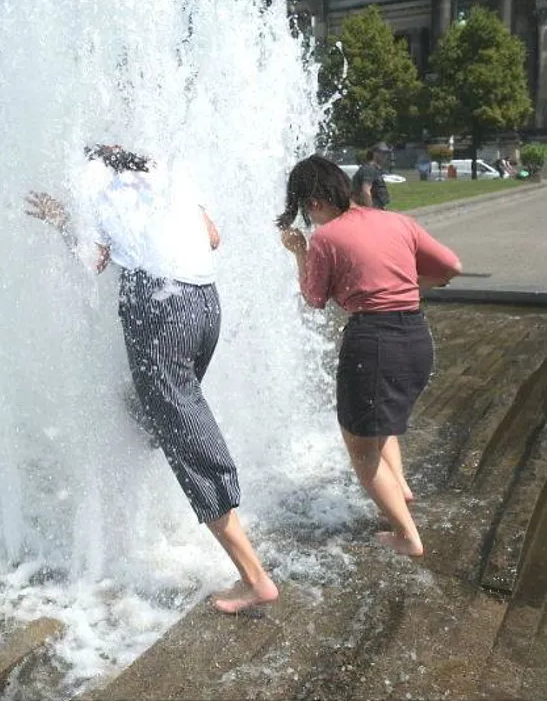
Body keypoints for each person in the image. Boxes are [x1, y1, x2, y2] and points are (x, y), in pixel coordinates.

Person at [26, 144, 278, 614]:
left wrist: (62, 220)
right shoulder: (169, 178)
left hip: (160, 310)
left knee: (188, 440)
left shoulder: (97, 191)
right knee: (147, 413)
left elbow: (92, 260)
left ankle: (254, 578)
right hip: (205, 307)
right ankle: (156, 484)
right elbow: (214, 237)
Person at [278, 155, 462, 557]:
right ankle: (401, 490)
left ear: (312, 204)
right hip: (416, 336)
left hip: (374, 342)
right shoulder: (396, 221)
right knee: (382, 424)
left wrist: (299, 251)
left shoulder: (327, 238)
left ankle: (407, 536)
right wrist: (403, 284)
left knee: (360, 446)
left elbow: (313, 298)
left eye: (306, 213)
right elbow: (451, 265)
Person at [351, 142, 391, 209]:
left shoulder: (374, 169)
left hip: (377, 208)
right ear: (374, 153)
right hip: (371, 209)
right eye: (382, 153)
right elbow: (366, 191)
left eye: (386, 153)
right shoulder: (369, 169)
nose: (385, 156)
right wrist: (370, 211)